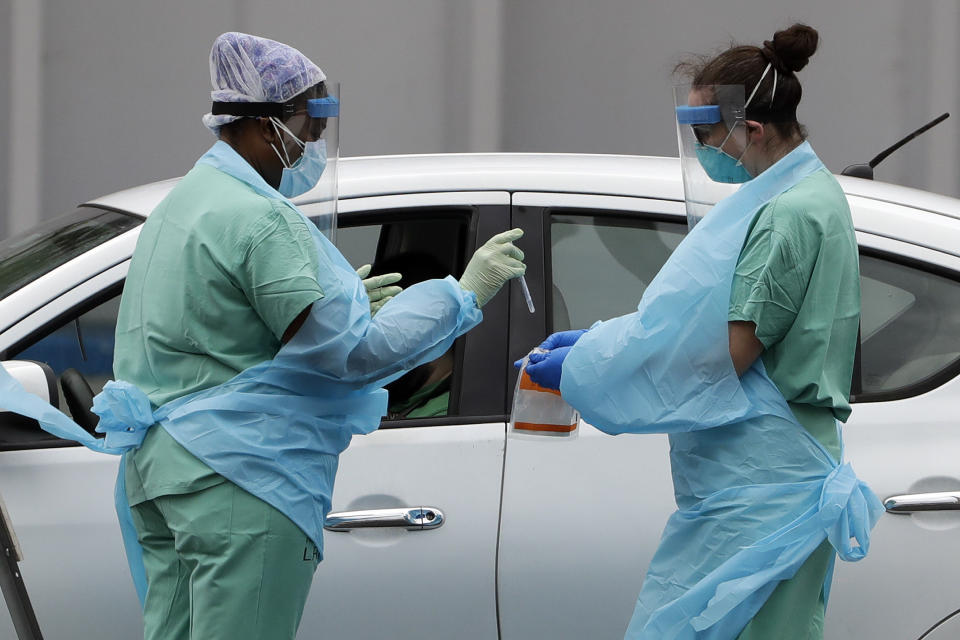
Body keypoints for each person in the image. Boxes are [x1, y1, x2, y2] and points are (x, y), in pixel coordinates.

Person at [107, 32, 526, 640]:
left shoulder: (186, 202)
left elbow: (218, 326)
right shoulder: (260, 219)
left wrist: (341, 301)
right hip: (239, 474)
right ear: (261, 122)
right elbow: (353, 356)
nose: (315, 144)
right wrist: (461, 295)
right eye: (310, 123)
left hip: (164, 474)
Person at [521, 24, 882, 640]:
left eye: (706, 133)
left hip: (764, 489)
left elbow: (728, 353)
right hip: (765, 484)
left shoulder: (788, 214)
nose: (700, 147)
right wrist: (609, 342)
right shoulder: (808, 195)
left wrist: (599, 362)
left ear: (753, 130)